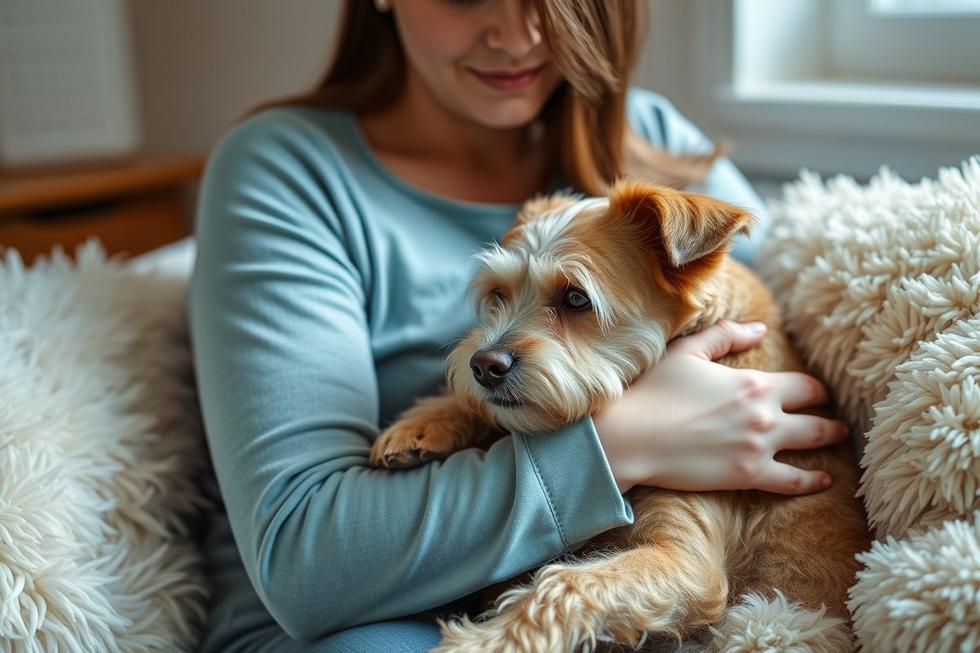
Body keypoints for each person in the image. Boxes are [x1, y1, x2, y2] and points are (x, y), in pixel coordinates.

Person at [187, 1, 850, 651]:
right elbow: (305, 568)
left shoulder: (652, 141)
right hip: (365, 620)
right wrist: (624, 443)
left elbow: (773, 311)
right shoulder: (286, 171)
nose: (514, 33)